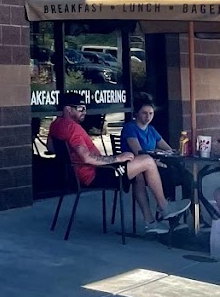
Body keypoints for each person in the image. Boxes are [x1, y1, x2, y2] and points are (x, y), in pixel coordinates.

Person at [48, 94, 189, 235]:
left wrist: (72, 157)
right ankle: (164, 206)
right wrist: (117, 158)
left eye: (85, 108)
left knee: (139, 173)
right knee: (147, 161)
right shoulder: (73, 128)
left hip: (80, 173)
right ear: (68, 109)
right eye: (80, 108)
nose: (84, 112)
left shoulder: (55, 124)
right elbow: (87, 158)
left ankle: (151, 223)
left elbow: (51, 147)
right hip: (96, 174)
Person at [121, 101, 192, 229]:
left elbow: (167, 148)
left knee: (188, 177)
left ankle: (194, 214)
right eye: (144, 113)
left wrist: (176, 152)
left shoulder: (151, 129)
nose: (148, 117)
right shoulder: (130, 128)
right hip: (139, 168)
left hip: (156, 164)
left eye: (151, 113)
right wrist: (157, 161)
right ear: (137, 113)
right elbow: (138, 152)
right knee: (168, 176)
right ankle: (172, 219)